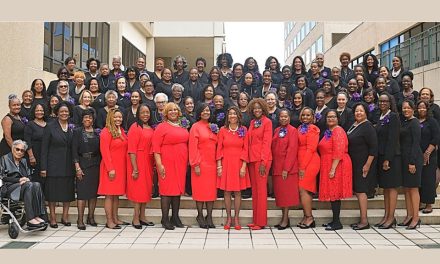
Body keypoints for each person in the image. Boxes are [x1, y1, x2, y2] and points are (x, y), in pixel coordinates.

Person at [152, 103, 189, 230]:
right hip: (167, 162)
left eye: (175, 110)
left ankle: (175, 217)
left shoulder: (183, 126)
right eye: (170, 110)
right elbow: (156, 148)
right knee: (166, 191)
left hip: (180, 163)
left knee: (177, 190)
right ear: (166, 113)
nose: (173, 112)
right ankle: (165, 218)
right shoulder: (161, 127)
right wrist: (159, 164)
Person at [40, 101, 75, 228]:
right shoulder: (50, 127)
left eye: (66, 111)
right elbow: (44, 149)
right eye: (61, 111)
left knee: (67, 193)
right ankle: (53, 218)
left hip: (68, 166)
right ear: (57, 113)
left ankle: (65, 217)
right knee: (52, 194)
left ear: (69, 113)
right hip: (53, 165)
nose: (64, 113)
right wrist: (43, 167)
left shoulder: (72, 127)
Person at [216, 106, 250, 230]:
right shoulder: (223, 130)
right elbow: (219, 148)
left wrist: (244, 165)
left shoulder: (244, 130)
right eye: (230, 114)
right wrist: (219, 165)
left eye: (234, 114)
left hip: (239, 163)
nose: (232, 116)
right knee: (226, 192)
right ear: (227, 116)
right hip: (226, 163)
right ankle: (228, 217)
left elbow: (246, 149)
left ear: (238, 116)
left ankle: (236, 218)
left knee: (237, 191)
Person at [0, 140, 47, 229]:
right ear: (12, 148)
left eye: (22, 150)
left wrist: (27, 179)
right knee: (29, 185)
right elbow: (2, 177)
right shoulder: (4, 159)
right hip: (9, 187)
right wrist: (19, 180)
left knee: (36, 184)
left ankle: (37, 216)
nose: (19, 152)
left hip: (23, 186)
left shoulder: (24, 161)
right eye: (17, 149)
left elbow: (29, 175)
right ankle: (30, 219)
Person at [318, 110, 353, 231]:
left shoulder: (338, 131)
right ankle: (334, 220)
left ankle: (337, 222)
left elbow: (338, 151)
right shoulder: (329, 131)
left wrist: (333, 169)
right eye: (328, 117)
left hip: (337, 164)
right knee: (333, 193)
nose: (330, 119)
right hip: (328, 162)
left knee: (335, 193)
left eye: (333, 117)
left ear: (338, 118)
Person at [347, 103, 378, 230]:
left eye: (361, 111)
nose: (358, 113)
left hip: (363, 164)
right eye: (356, 111)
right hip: (354, 163)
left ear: (366, 112)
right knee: (357, 191)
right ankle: (362, 219)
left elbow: (374, 148)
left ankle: (364, 221)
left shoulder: (368, 126)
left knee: (361, 191)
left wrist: (367, 165)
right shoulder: (354, 125)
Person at [97, 108, 128, 229]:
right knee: (109, 195)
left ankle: (115, 218)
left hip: (120, 167)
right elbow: (104, 152)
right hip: (110, 167)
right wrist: (110, 168)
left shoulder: (121, 131)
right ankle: (109, 221)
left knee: (116, 194)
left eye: (120, 117)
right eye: (115, 117)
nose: (118, 119)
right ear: (110, 117)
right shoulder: (106, 131)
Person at [189, 103, 218, 229]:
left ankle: (209, 216)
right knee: (200, 192)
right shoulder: (195, 127)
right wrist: (195, 164)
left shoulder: (213, 127)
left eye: (208, 110)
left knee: (211, 192)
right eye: (203, 110)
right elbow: (193, 147)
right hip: (200, 164)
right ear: (199, 113)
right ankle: (200, 215)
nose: (206, 112)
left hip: (212, 164)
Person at [375, 92, 402, 229]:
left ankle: (391, 218)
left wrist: (387, 159)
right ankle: (386, 216)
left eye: (385, 101)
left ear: (390, 102)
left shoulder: (393, 116)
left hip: (391, 158)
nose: (382, 103)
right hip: (381, 156)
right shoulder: (380, 117)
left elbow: (393, 140)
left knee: (391, 188)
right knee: (385, 188)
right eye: (380, 101)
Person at [127, 104, 155, 229]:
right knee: (139, 191)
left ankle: (143, 216)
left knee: (146, 190)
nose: (145, 115)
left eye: (147, 112)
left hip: (148, 161)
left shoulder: (151, 128)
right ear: (138, 114)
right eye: (143, 112)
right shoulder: (135, 127)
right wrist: (135, 168)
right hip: (138, 160)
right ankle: (135, 218)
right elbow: (131, 150)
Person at [246, 98, 272, 230]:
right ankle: (255, 219)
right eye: (255, 108)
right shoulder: (252, 122)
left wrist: (263, 161)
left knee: (261, 191)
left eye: (259, 108)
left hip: (262, 160)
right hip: (252, 159)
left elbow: (267, 143)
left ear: (263, 109)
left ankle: (261, 222)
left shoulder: (267, 122)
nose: (257, 110)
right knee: (255, 191)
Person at [72, 110, 100, 230]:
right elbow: (74, 151)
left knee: (93, 194)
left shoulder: (97, 133)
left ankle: (91, 217)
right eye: (85, 118)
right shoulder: (77, 132)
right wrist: (77, 167)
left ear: (93, 120)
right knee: (83, 194)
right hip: (82, 165)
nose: (87, 120)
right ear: (82, 119)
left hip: (95, 165)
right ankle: (80, 219)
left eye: (90, 118)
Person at [271, 109, 299, 230]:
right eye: (281, 116)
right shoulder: (277, 130)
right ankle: (284, 218)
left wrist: (286, 169)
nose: (283, 118)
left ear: (289, 118)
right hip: (277, 167)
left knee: (286, 196)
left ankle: (285, 219)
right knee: (280, 195)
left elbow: (292, 150)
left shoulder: (293, 130)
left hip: (287, 169)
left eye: (285, 116)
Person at [399, 100, 423, 229]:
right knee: (406, 189)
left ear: (413, 109)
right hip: (404, 159)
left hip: (413, 159)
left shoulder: (414, 123)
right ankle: (409, 216)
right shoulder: (405, 122)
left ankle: (416, 218)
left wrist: (412, 162)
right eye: (404, 108)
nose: (406, 110)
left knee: (413, 188)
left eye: (408, 108)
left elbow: (415, 143)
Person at [297, 107, 320, 229]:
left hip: (310, 161)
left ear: (312, 117)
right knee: (303, 190)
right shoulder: (300, 128)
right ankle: (306, 216)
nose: (305, 117)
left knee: (304, 189)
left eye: (308, 115)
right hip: (301, 160)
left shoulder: (313, 129)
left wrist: (302, 166)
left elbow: (311, 149)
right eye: (303, 115)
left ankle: (310, 217)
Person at [416, 100, 439, 215]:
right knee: (419, 179)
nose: (421, 110)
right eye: (419, 107)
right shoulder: (414, 121)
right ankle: (420, 201)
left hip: (429, 155)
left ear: (427, 109)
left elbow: (436, 138)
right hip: (417, 154)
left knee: (428, 179)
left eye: (424, 107)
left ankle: (429, 203)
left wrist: (427, 153)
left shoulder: (432, 121)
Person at [24, 103, 47, 186]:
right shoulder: (30, 124)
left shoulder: (48, 125)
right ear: (34, 112)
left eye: (41, 110)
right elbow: (27, 141)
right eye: (37, 110)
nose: (39, 112)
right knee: (37, 178)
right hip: (35, 155)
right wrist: (31, 156)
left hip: (45, 155)